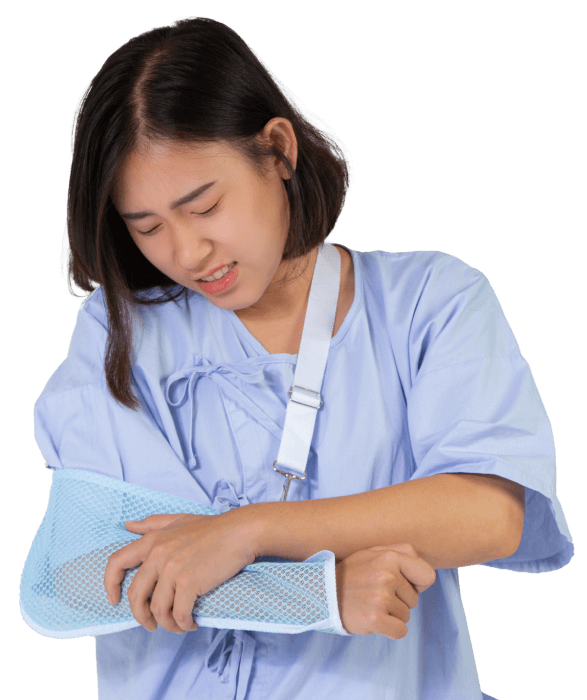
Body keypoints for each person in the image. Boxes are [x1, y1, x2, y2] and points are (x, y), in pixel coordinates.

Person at [27, 16, 573, 700]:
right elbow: (78, 578)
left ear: (277, 151)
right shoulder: (120, 330)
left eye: (204, 206)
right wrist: (320, 593)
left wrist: (248, 533)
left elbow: (489, 513)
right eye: (148, 227)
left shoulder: (429, 301)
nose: (186, 252)